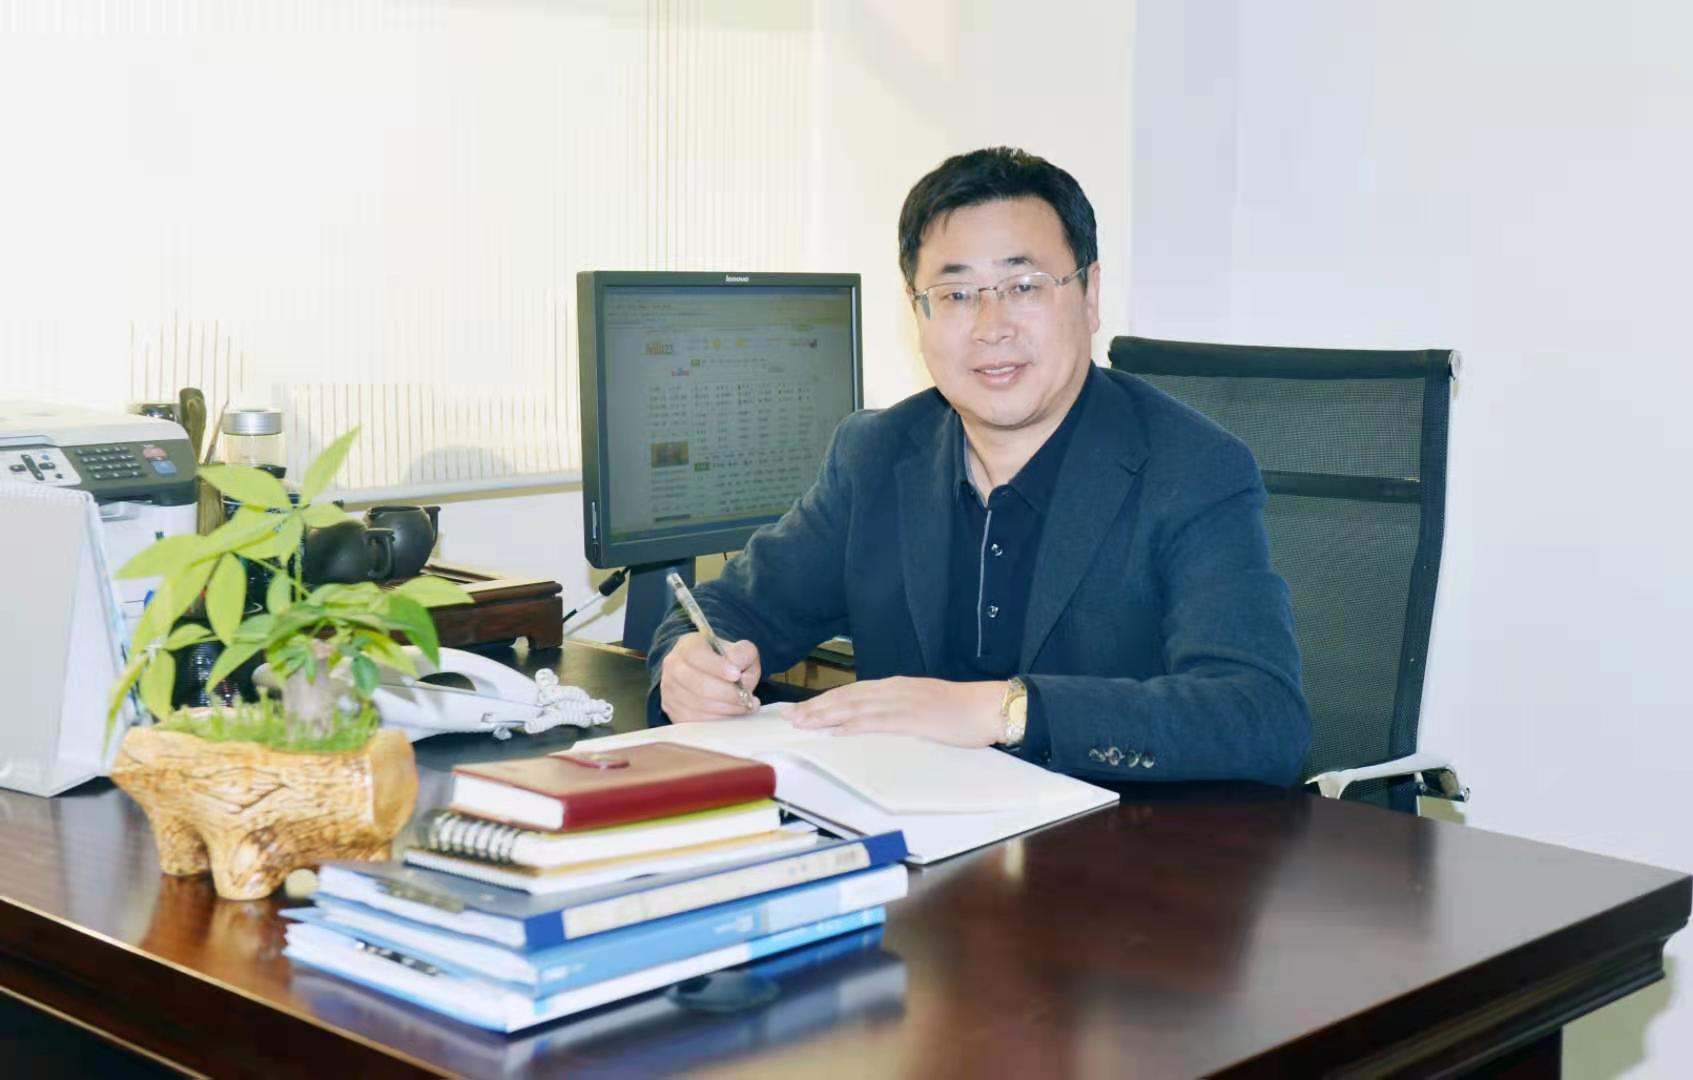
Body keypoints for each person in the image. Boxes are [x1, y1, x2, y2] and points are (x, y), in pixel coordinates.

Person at [647, 147, 1310, 785]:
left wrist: (1004, 709)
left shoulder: (1191, 469)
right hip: (917, 834)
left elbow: (1260, 717)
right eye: (957, 294)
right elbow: (727, 610)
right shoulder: (876, 454)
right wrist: (689, 663)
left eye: (1023, 286)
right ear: (917, 311)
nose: (991, 326)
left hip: (1117, 842)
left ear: (1089, 295)